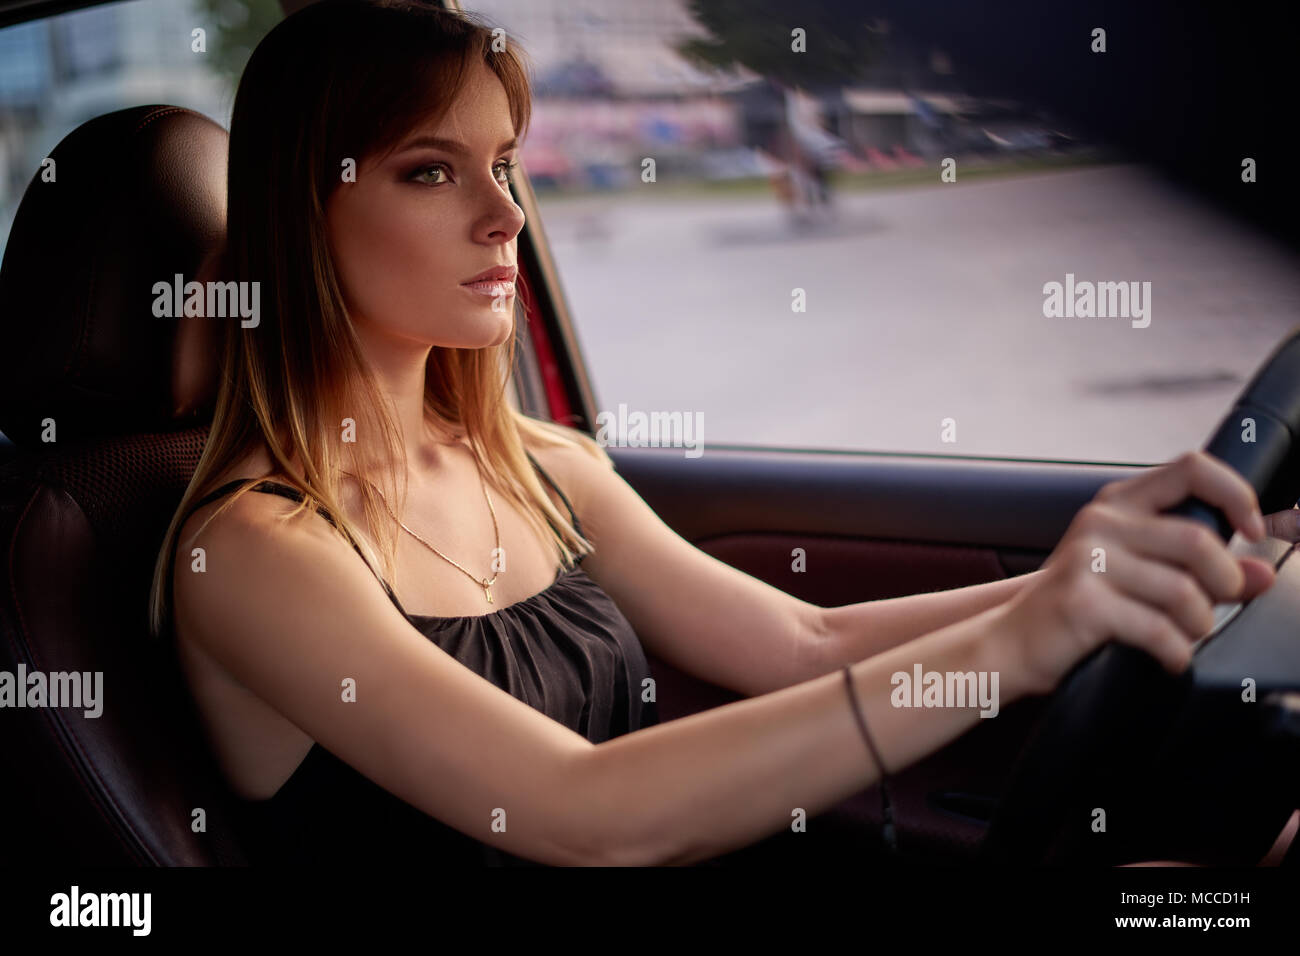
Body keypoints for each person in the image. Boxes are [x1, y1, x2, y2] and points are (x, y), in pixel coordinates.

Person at [148, 0, 1298, 867]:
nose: (505, 213)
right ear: (309, 216)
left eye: (503, 165)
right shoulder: (252, 552)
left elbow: (801, 641)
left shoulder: (539, 461)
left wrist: (1091, 578)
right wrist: (1015, 646)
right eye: (430, 172)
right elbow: (576, 806)